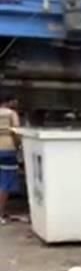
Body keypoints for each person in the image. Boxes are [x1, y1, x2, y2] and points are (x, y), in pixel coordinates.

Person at [0, 95, 22, 223]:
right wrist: (19, 145)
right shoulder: (11, 113)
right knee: (5, 183)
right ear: (8, 101)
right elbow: (16, 132)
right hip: (7, 149)